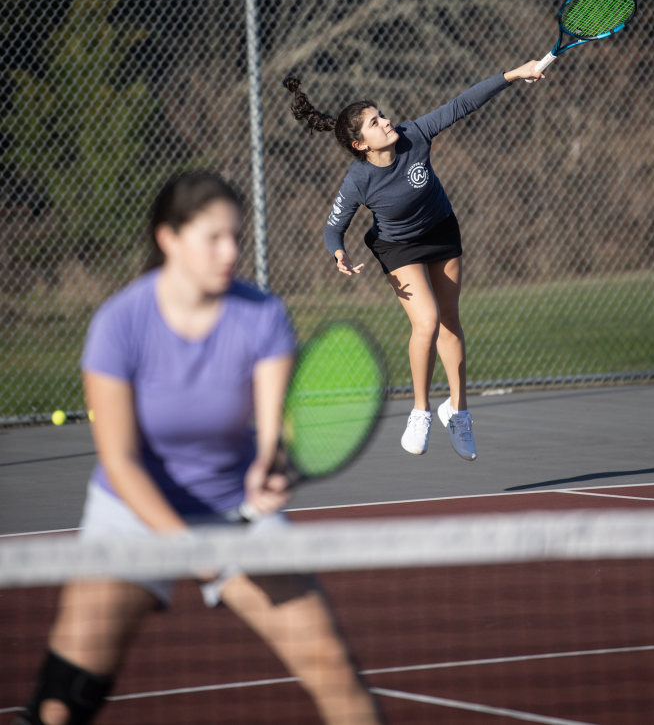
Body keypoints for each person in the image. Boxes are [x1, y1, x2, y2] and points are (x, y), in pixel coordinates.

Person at [15, 171, 381, 725]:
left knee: (331, 663)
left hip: (234, 506)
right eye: (213, 237)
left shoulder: (262, 315)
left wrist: (269, 468)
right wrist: (192, 548)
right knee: (63, 699)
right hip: (130, 513)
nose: (230, 251)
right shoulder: (119, 324)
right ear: (169, 239)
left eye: (235, 236)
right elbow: (121, 460)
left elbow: (273, 431)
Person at [283, 64, 544, 458]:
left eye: (381, 115)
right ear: (360, 144)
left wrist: (512, 75)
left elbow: (461, 105)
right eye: (375, 122)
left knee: (450, 322)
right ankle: (420, 411)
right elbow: (333, 229)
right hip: (397, 247)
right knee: (427, 321)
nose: (386, 122)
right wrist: (339, 253)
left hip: (441, 230)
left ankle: (458, 411)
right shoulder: (358, 180)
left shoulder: (413, 135)